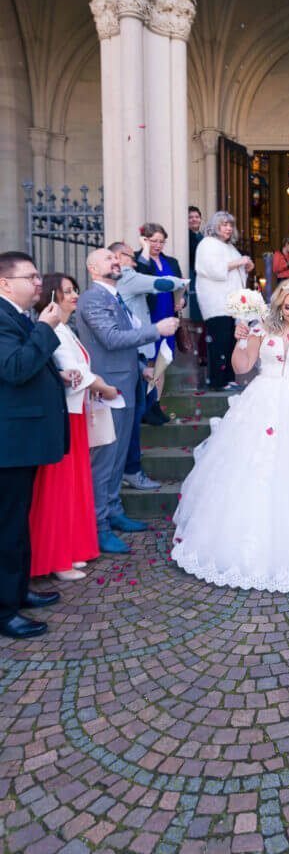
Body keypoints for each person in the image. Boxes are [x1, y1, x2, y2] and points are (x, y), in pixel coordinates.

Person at [172, 279, 289, 590]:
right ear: (279, 306)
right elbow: (242, 367)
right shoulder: (262, 329)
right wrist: (240, 341)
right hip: (262, 399)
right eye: (288, 307)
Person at [76, 248, 178, 554]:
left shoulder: (115, 297)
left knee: (119, 455)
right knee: (105, 461)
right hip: (107, 388)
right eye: (109, 259)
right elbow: (110, 339)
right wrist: (155, 330)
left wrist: (142, 368)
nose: (116, 261)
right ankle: (100, 526)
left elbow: (122, 345)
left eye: (116, 257)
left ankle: (115, 512)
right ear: (93, 269)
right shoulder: (94, 298)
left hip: (127, 381)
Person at [29, 274, 117, 581]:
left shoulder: (68, 328)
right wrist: (104, 387)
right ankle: (55, 557)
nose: (74, 295)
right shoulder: (54, 329)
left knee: (75, 484)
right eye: (67, 292)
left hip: (77, 410)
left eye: (74, 290)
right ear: (53, 297)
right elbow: (71, 368)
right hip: (64, 413)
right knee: (59, 487)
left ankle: (71, 549)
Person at [0, 251, 67, 639]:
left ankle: (16, 591)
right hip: (8, 444)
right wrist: (45, 328)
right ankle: (4, 610)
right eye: (31, 277)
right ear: (6, 283)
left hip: (22, 442)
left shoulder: (19, 316)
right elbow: (15, 369)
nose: (39, 283)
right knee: (7, 527)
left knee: (17, 523)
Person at [109, 241, 187, 484]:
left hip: (137, 354)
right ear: (119, 257)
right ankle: (129, 471)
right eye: (131, 257)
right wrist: (182, 283)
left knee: (136, 414)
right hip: (135, 350)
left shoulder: (124, 278)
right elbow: (159, 283)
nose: (134, 263)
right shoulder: (127, 276)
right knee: (131, 420)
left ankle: (128, 469)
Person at [195, 212, 254, 390]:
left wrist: (246, 267)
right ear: (215, 226)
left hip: (232, 303)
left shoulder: (230, 248)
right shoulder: (207, 244)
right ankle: (217, 381)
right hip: (217, 302)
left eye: (230, 225)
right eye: (224, 224)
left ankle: (228, 379)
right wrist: (238, 263)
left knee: (230, 342)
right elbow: (212, 270)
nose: (228, 228)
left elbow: (236, 274)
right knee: (219, 342)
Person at [135, 222, 185, 420]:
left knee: (162, 360)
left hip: (168, 313)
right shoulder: (139, 260)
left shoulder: (171, 262)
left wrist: (182, 300)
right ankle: (145, 404)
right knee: (149, 359)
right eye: (153, 241)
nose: (157, 245)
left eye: (161, 241)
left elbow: (181, 285)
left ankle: (155, 404)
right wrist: (145, 251)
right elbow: (141, 278)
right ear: (145, 241)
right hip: (149, 315)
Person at [188, 206, 207, 367]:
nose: (194, 219)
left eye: (196, 216)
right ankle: (197, 355)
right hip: (194, 276)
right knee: (197, 319)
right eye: (191, 217)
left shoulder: (201, 236)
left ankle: (202, 354)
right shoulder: (187, 237)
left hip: (202, 277)